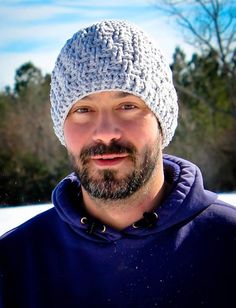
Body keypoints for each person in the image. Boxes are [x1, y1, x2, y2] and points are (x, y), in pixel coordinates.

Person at [0, 20, 236, 308]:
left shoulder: (228, 245)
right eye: (83, 109)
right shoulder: (14, 263)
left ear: (162, 122)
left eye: (128, 106)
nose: (105, 132)